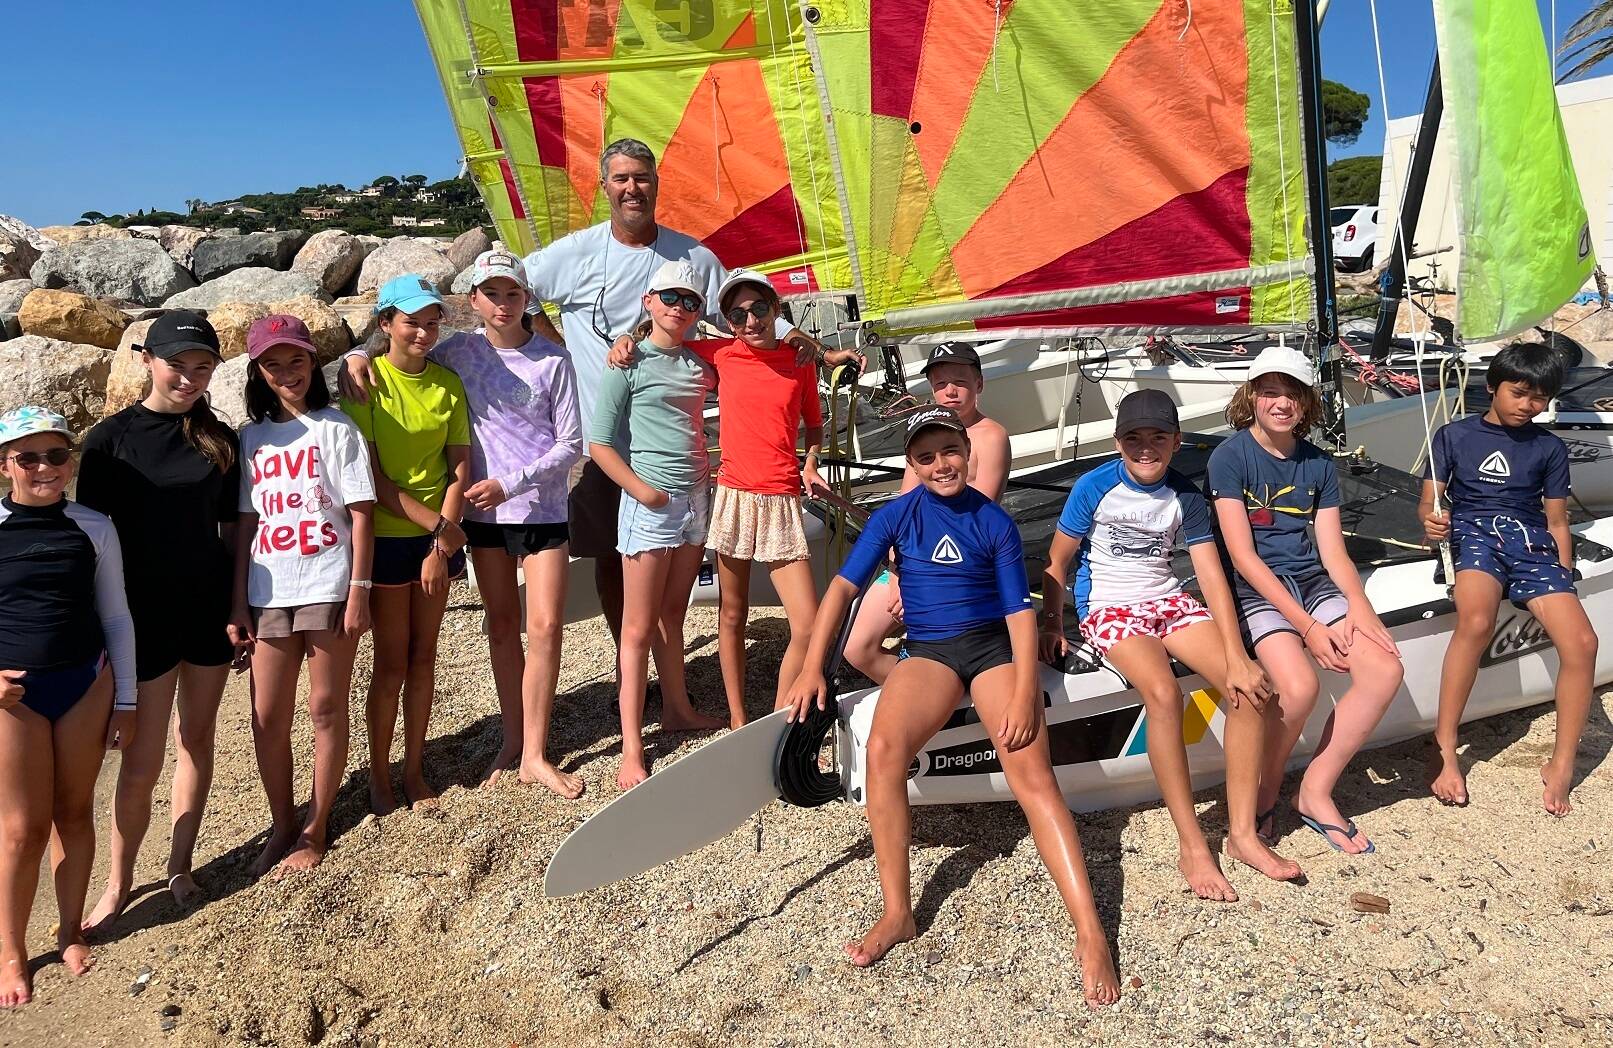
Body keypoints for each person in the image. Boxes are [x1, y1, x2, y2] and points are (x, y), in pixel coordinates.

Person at [346, 139, 836, 653]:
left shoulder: (694, 257)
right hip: (597, 442)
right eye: (621, 178)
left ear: (657, 184)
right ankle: (631, 667)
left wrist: (804, 343)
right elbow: (509, 291)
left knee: (671, 560)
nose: (632, 188)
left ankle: (666, 669)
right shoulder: (574, 252)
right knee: (609, 554)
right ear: (604, 187)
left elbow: (745, 319)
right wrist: (551, 349)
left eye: (642, 177)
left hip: (670, 441)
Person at [783, 407, 1120, 1008]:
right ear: (911, 464)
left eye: (950, 451)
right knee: (884, 750)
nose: (941, 465)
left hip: (991, 650)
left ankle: (1090, 931)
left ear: (967, 450)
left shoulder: (993, 520)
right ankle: (898, 911)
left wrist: (1025, 691)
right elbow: (841, 589)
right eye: (926, 456)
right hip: (931, 653)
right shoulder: (896, 515)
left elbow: (1019, 614)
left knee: (1032, 774)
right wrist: (813, 666)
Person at [1039, 390, 1300, 901]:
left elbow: (1210, 573)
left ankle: (1242, 834)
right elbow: (1056, 561)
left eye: (1158, 437)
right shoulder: (1093, 487)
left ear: (1177, 442)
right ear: (1118, 442)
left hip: (1167, 599)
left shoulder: (1186, 495)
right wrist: (1052, 623)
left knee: (1251, 690)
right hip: (1109, 605)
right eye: (1133, 438)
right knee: (1163, 694)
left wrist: (1237, 656)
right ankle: (1193, 844)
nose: (1146, 447)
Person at [80, 311, 241, 930]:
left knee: (196, 739)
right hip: (140, 618)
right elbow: (91, 544)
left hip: (207, 610)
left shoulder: (219, 440)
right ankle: (118, 883)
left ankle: (180, 864)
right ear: (147, 360)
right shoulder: (108, 441)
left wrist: (238, 607)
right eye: (178, 365)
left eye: (203, 367)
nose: (190, 378)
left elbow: (234, 532)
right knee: (141, 759)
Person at [608, 268, 825, 728]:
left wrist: (810, 462)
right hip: (734, 495)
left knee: (807, 625)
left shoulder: (800, 360)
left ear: (776, 309)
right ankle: (738, 719)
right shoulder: (722, 353)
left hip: (781, 498)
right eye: (737, 315)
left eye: (759, 309)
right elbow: (666, 339)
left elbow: (814, 423)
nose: (750, 321)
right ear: (727, 322)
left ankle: (778, 720)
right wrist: (627, 337)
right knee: (732, 613)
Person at [1208, 346, 1404, 855]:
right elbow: (1243, 557)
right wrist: (1309, 628)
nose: (1281, 403)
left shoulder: (1318, 464)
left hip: (1310, 582)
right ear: (1251, 397)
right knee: (1298, 689)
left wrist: (1359, 607)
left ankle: (1314, 791)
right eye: (1269, 392)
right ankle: (1266, 788)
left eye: (1292, 393)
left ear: (1307, 402)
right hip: (1256, 589)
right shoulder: (1229, 457)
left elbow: (1333, 551)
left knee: (1385, 668)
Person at [408, 248, 583, 796]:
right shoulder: (457, 350)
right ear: (473, 299)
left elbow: (570, 444)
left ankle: (536, 752)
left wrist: (512, 482)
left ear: (526, 298)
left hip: (542, 508)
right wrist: (357, 361)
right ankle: (513, 739)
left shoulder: (553, 360)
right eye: (492, 293)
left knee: (546, 627)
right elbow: (403, 356)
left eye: (513, 293)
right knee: (502, 626)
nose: (503, 303)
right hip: (483, 515)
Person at [1421, 342, 1596, 815]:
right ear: (1492, 387)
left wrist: (1564, 575)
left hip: (1529, 539)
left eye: (1539, 398)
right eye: (1518, 393)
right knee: (1476, 621)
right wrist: (1432, 523)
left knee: (1583, 642)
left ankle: (1561, 764)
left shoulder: (1549, 447)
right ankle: (1445, 748)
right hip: (1472, 532)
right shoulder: (1453, 435)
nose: (1527, 405)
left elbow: (1556, 520)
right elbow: (1429, 505)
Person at [229, 316, 376, 877]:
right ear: (258, 372)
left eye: (296, 360)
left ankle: (315, 825)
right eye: (273, 364)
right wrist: (237, 603)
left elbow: (361, 516)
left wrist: (359, 590)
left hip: (328, 583)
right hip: (268, 589)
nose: (286, 372)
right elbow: (245, 525)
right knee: (267, 717)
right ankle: (281, 823)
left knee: (325, 706)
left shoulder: (337, 428)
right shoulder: (250, 438)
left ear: (313, 362)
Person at [0, 408, 136, 1007]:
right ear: (5, 464)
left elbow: (116, 616)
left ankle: (68, 930)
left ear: (71, 461)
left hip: (85, 683)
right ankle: (11, 951)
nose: (44, 468)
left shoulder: (94, 526)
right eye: (28, 457)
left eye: (56, 455)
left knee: (74, 813)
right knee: (21, 829)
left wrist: (126, 700)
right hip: (14, 696)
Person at [589, 260, 728, 789]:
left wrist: (808, 347)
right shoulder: (628, 362)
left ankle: (678, 709)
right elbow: (599, 443)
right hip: (651, 503)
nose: (679, 307)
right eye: (670, 297)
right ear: (649, 301)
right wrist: (642, 491)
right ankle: (631, 748)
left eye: (690, 301)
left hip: (696, 498)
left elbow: (752, 348)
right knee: (638, 627)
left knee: (674, 612)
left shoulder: (700, 362)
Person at [341, 275, 471, 815]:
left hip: (437, 538)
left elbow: (458, 469)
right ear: (386, 324)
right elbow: (371, 479)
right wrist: (441, 531)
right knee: (391, 662)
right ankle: (379, 773)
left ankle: (413, 767)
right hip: (391, 538)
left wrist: (440, 548)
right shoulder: (366, 382)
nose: (424, 332)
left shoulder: (448, 384)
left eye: (432, 323)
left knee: (424, 658)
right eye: (412, 322)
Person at [844, 342, 1010, 683]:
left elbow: (980, 517)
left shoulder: (992, 436)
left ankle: (943, 689)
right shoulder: (923, 435)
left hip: (962, 564)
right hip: (911, 561)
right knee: (856, 647)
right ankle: (928, 690)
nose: (950, 391)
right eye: (940, 384)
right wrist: (898, 575)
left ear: (979, 384)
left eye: (960, 381)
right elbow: (903, 509)